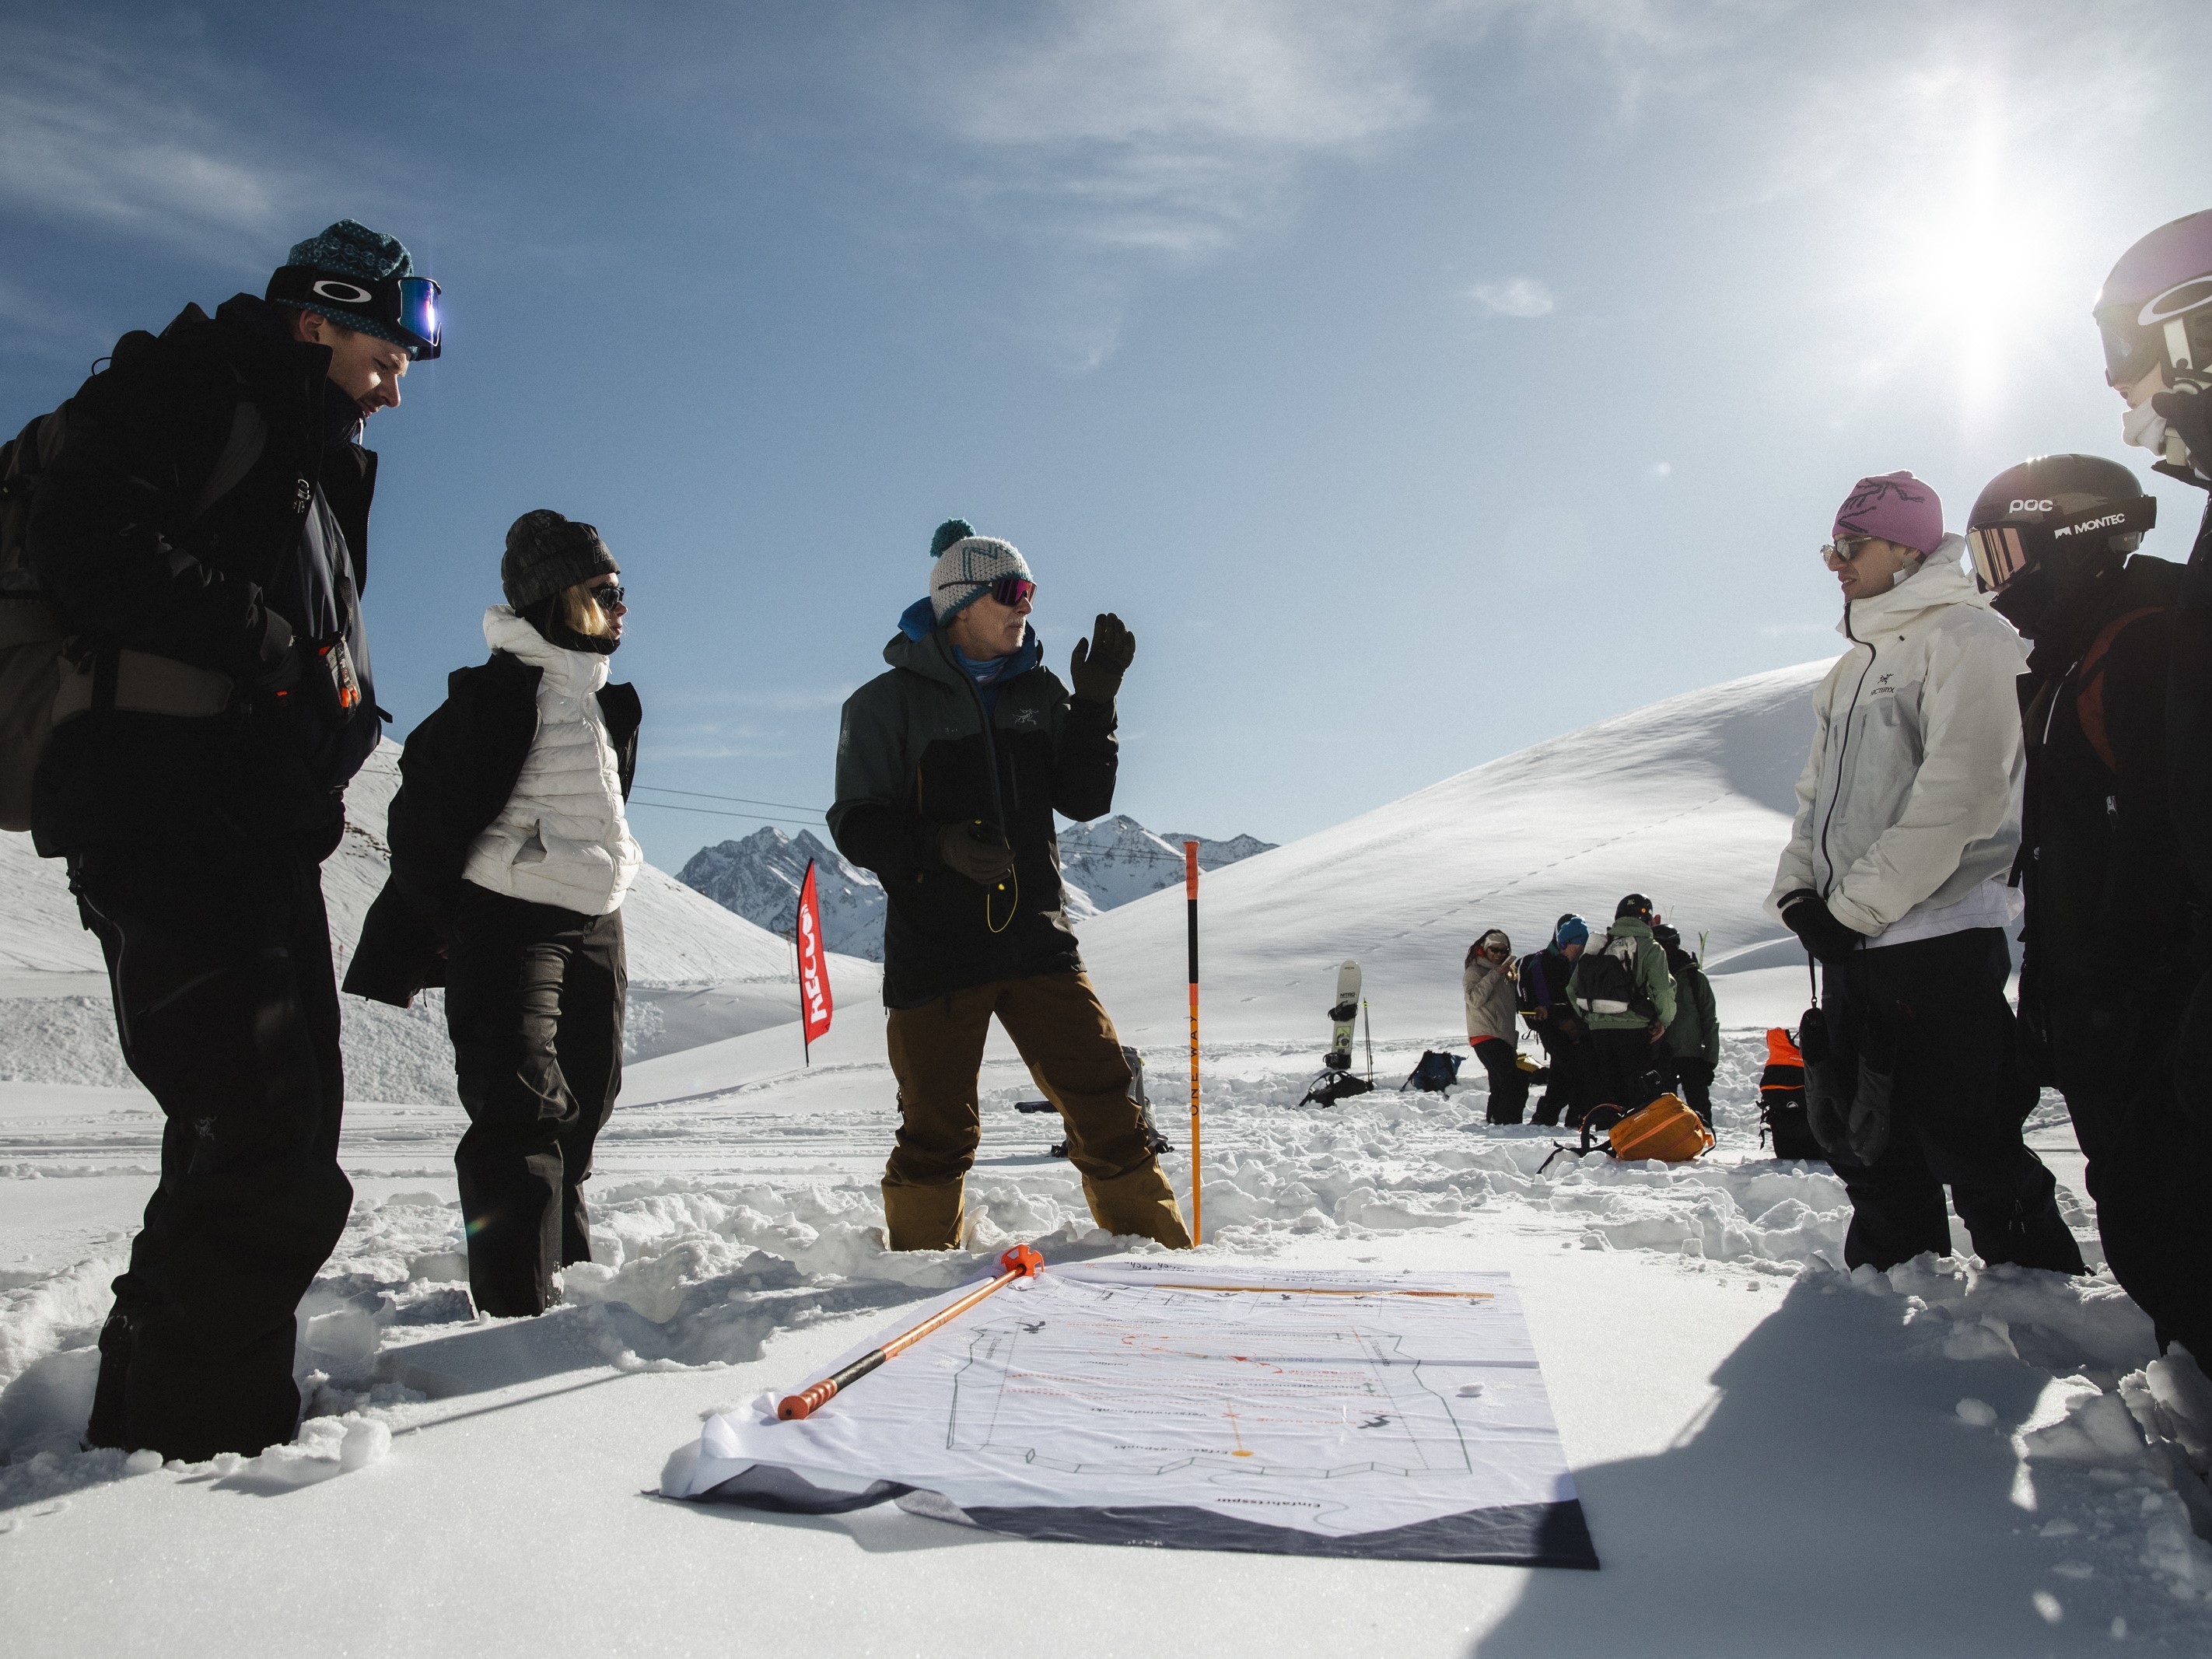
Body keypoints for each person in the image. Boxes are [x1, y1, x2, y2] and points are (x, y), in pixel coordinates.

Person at [23, 219, 436, 1460]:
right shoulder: (193, 382)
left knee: (258, 1136)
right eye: (386, 347)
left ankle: (148, 1426)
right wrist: (274, 649)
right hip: (163, 808)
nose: (398, 380)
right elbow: (86, 540)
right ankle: (201, 1451)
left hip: (247, 828)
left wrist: (331, 715)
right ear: (318, 317)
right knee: (263, 1141)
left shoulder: (307, 455)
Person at [828, 520, 1190, 1251]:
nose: (1027, 605)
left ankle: (1157, 1258)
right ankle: (918, 1278)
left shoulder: (1041, 690)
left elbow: (1083, 796)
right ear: (960, 604)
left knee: (1106, 1101)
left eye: (1030, 591)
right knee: (937, 1127)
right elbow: (856, 825)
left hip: (1038, 940)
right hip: (936, 954)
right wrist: (941, 847)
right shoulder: (883, 704)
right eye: (1011, 592)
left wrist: (1096, 703)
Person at [1768, 471, 2082, 1275]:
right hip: (1854, 945)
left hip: (1938, 938)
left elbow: (1963, 792)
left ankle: (2038, 1295)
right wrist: (1801, 892)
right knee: (1864, 1139)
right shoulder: (1850, 671)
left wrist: (1858, 907)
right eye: (1829, 548)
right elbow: (1815, 800)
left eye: (1851, 546)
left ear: (1908, 548)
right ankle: (1884, 1300)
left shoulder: (1968, 637)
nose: (1836, 563)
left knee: (1968, 1136)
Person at [348, 511, 638, 1316]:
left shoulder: (608, 704)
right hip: (509, 919)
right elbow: (420, 830)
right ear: (555, 597)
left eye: (623, 591)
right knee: (520, 1110)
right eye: (605, 591)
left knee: (588, 1097)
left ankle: (567, 1277)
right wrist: (464, 929)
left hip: (597, 922)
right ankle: (515, 1310)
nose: (623, 607)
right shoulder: (492, 700)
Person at [1965, 454, 2208, 1356]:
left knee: (2172, 1217)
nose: (1995, 583)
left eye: (2001, 552)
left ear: (2062, 538)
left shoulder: (2149, 645)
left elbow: (2162, 845)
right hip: (2109, 1001)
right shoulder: (2067, 662)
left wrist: (2126, 987)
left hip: (2161, 1009)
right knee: (2145, 1216)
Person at [1568, 894, 1676, 1117]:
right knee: (1638, 1095)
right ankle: (1637, 1145)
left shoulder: (1599, 945)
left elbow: (1572, 988)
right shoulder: (1650, 947)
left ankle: (1607, 1143)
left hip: (1599, 1033)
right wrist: (1663, 1021)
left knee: (1608, 1094)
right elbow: (1663, 990)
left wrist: (1591, 1017)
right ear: (1648, 920)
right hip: (1634, 1031)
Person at [1517, 914, 1591, 1126]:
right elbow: (1538, 1001)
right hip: (1552, 1028)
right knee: (1575, 1071)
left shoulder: (1575, 962)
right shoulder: (1541, 962)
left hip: (1572, 1028)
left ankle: (1546, 1118)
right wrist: (1560, 1023)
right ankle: (1575, 1119)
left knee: (1563, 1074)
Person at [1463, 928, 1542, 1125]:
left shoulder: (1507, 974)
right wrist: (1495, 974)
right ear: (1485, 949)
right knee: (1514, 1081)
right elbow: (1475, 1000)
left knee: (1501, 1083)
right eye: (1494, 950)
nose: (1498, 955)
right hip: (1485, 1034)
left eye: (1503, 951)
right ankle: (1509, 1124)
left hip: (1503, 1037)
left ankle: (1496, 1122)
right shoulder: (1475, 971)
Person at [1653, 922, 1720, 1127]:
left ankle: (1704, 1138)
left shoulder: (1694, 978)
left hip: (1692, 1056)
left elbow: (1710, 1020)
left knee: (1699, 1108)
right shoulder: (1652, 975)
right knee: (1663, 1108)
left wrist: (1709, 1059)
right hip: (1661, 1053)